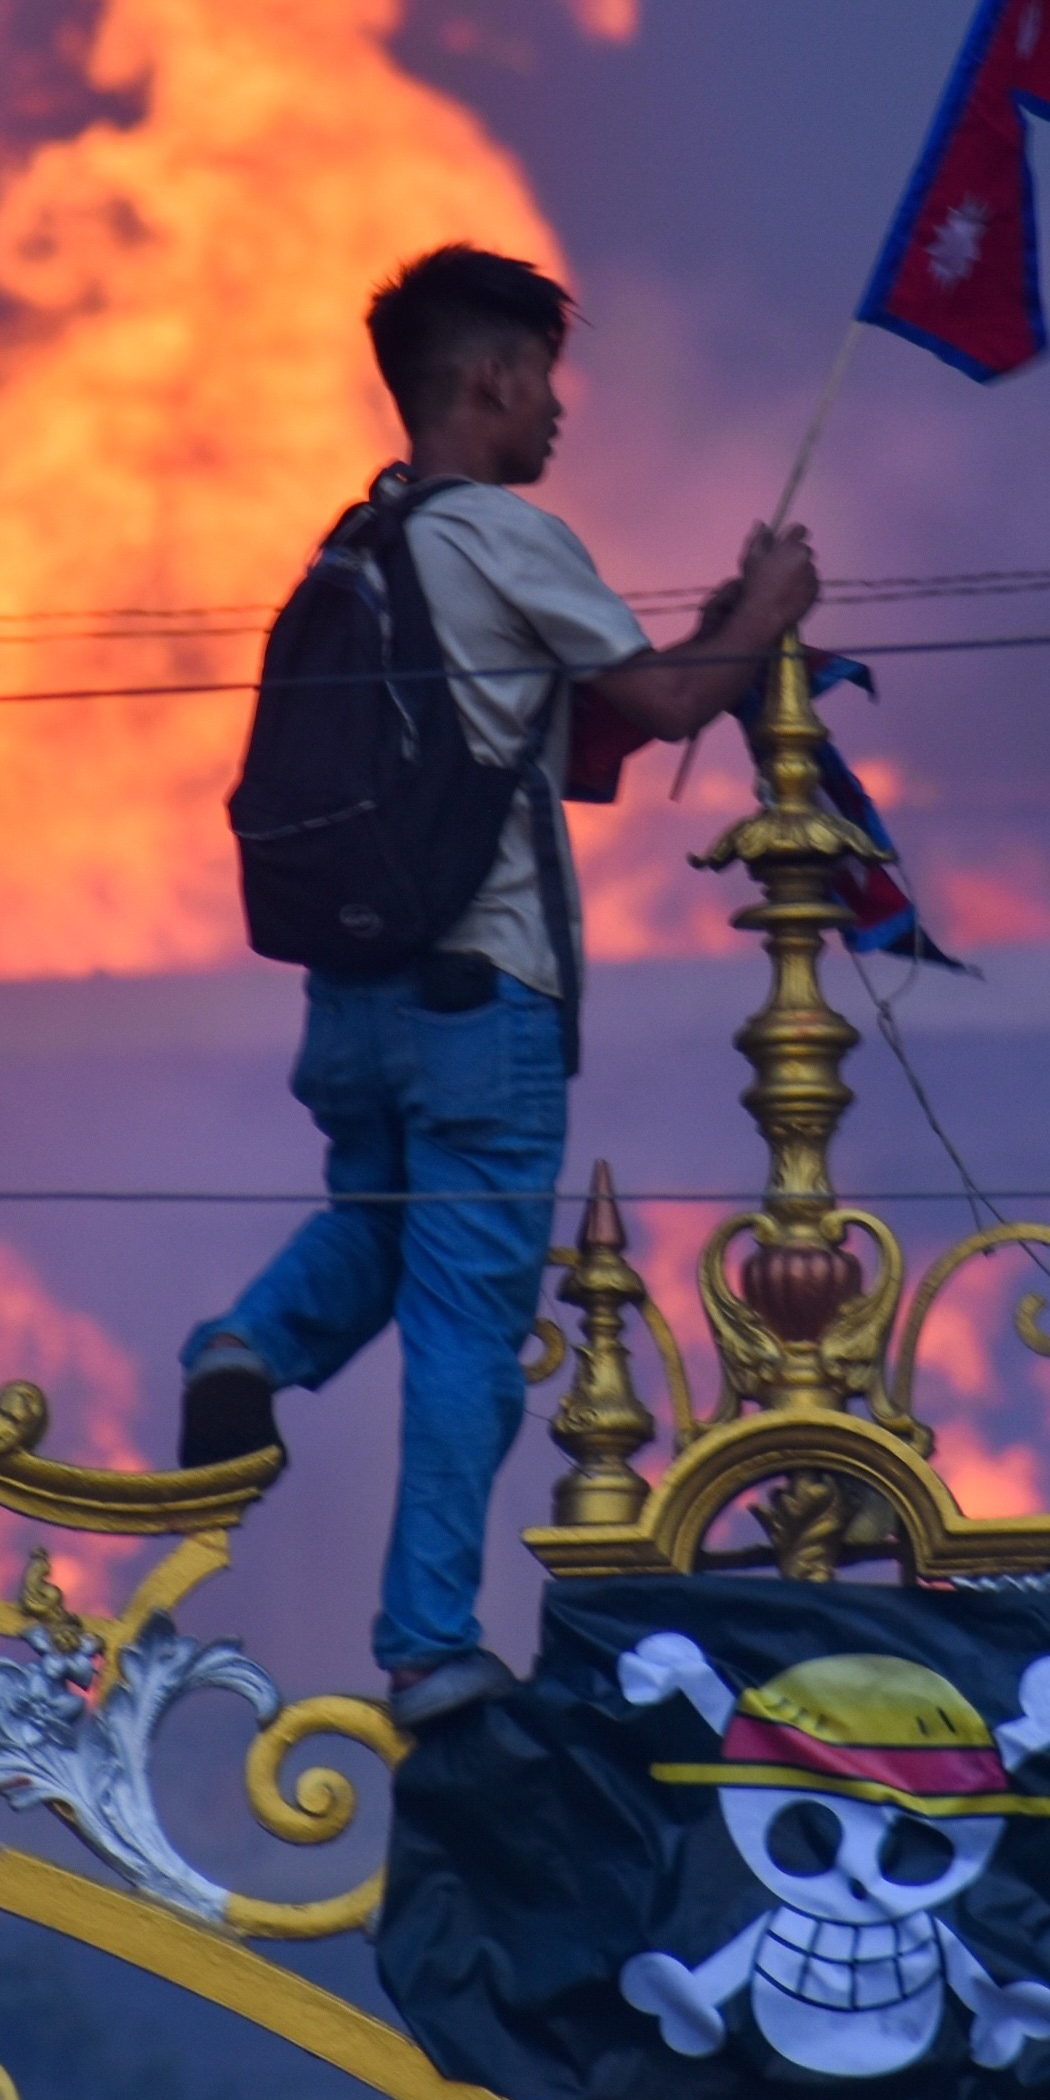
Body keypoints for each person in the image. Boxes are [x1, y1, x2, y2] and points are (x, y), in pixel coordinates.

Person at [186, 244, 820, 1728]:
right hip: (486, 1004)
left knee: (372, 1227)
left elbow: (576, 735)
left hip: (352, 999)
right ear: (489, 379)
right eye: (544, 380)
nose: (559, 414)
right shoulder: (505, 533)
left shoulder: (367, 543)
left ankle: (242, 1348)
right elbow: (662, 708)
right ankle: (429, 1651)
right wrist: (771, 613)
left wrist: (722, 624)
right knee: (469, 1328)